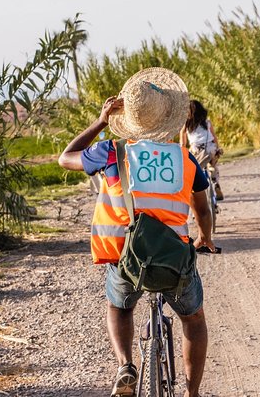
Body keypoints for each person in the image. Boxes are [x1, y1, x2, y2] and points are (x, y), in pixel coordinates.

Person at [58, 67, 215, 397]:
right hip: (173, 259)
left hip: (125, 258)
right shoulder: (185, 159)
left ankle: (126, 365)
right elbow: (202, 210)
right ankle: (192, 394)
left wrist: (101, 121)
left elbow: (65, 157)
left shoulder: (111, 152)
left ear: (128, 119)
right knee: (193, 318)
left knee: (119, 307)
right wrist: (206, 239)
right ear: (167, 119)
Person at [179, 99, 225, 200]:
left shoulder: (187, 124)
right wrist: (217, 148)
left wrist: (182, 152)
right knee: (213, 165)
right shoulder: (207, 122)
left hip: (196, 150)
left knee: (194, 170)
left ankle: (197, 193)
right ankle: (215, 182)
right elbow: (214, 137)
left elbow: (183, 143)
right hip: (210, 148)